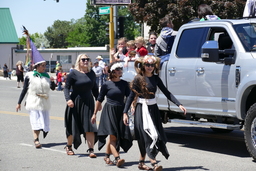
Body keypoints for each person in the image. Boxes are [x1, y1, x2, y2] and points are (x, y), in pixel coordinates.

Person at [123, 56, 186, 171]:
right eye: (147, 65)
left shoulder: (156, 78)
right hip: (141, 109)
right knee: (147, 136)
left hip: (153, 109)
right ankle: (154, 163)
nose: (150, 67)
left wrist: (179, 104)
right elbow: (131, 96)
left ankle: (141, 162)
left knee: (153, 135)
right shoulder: (138, 78)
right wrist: (125, 112)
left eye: (152, 65)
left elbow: (167, 93)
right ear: (143, 66)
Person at [93, 62, 132, 167]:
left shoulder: (124, 84)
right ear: (113, 71)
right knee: (113, 136)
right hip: (109, 110)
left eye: (121, 69)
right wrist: (94, 113)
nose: (120, 70)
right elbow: (99, 99)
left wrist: (131, 108)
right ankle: (117, 158)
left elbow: (129, 98)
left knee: (115, 136)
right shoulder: (106, 84)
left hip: (121, 111)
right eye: (118, 69)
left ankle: (106, 156)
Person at [16, 54, 56, 148]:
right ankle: (36, 140)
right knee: (35, 121)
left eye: (45, 65)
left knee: (44, 122)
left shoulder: (46, 75)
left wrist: (53, 81)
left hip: (44, 102)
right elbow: (24, 89)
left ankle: (43, 131)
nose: (44, 67)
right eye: (42, 65)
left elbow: (53, 88)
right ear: (37, 66)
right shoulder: (30, 75)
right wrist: (19, 103)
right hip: (33, 101)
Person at [63, 54, 99, 157]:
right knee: (73, 125)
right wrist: (68, 99)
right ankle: (69, 146)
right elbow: (66, 88)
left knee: (90, 125)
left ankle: (91, 150)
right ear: (79, 61)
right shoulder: (73, 73)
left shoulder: (91, 73)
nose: (86, 61)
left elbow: (95, 88)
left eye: (87, 59)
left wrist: (98, 101)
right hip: (75, 102)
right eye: (83, 59)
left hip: (88, 102)